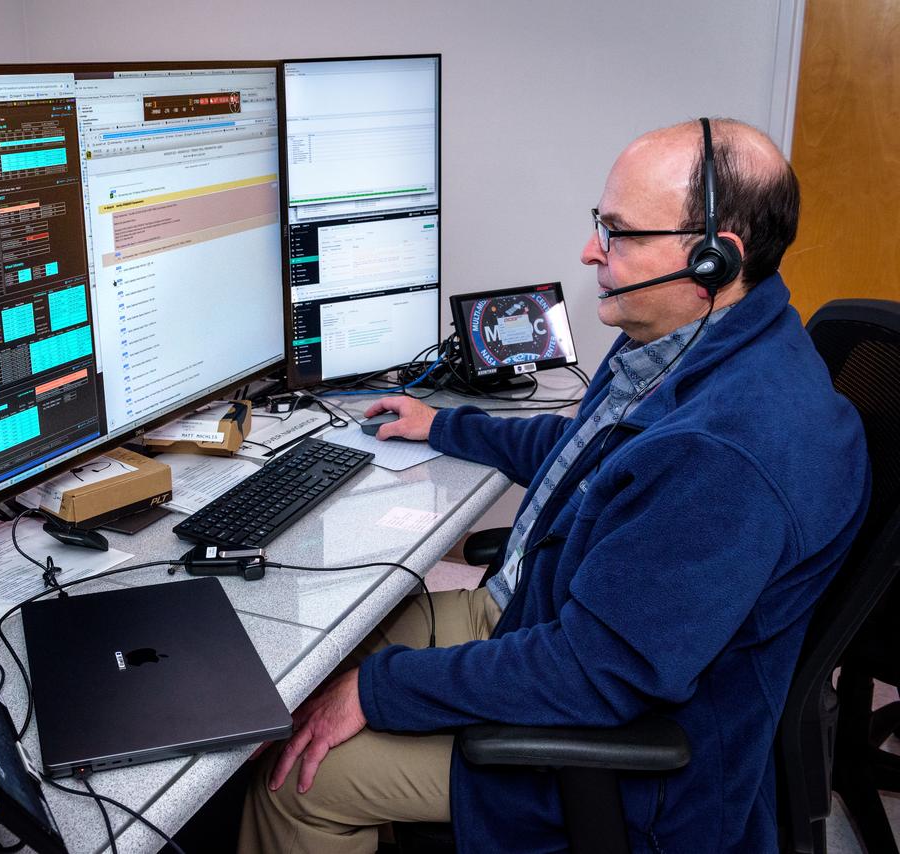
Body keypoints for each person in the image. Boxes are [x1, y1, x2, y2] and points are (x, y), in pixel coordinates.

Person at [237, 119, 870, 853]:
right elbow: (587, 455)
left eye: (619, 233)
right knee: (314, 659)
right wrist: (444, 426)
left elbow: (595, 676)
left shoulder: (725, 454)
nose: (590, 250)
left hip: (617, 746)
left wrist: (379, 693)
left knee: (300, 778)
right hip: (539, 617)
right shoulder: (681, 348)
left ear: (710, 260)